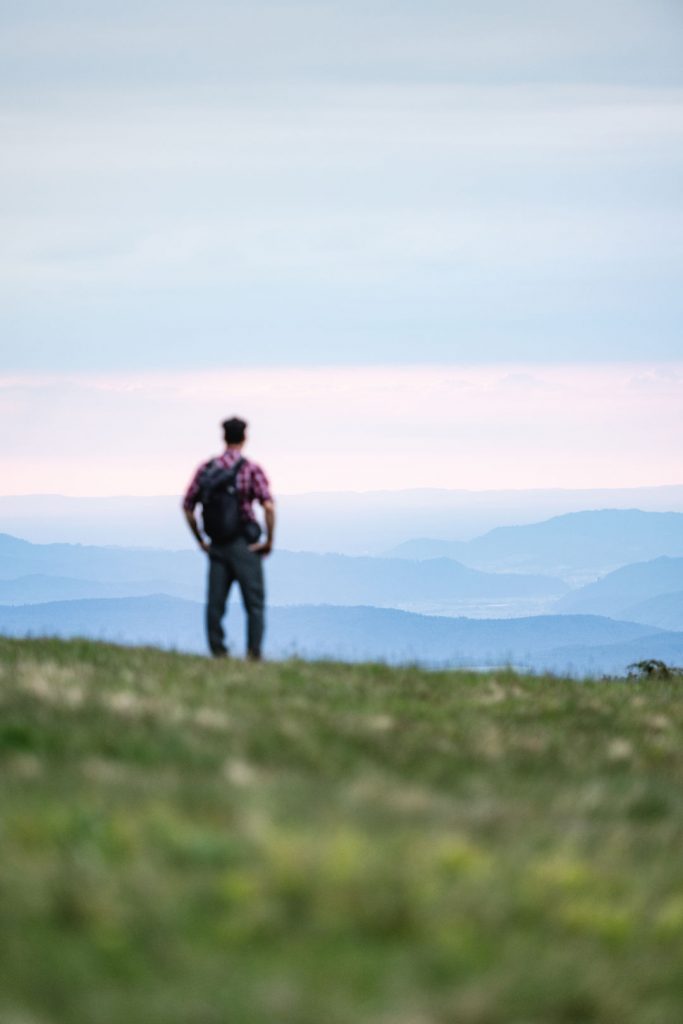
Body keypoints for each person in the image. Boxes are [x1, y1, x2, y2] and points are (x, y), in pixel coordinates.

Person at [182, 416, 275, 660]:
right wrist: (269, 541)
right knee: (254, 604)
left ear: (223, 437)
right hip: (245, 544)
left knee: (215, 604)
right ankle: (253, 656)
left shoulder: (206, 469)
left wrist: (200, 540)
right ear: (245, 438)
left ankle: (218, 654)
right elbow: (268, 507)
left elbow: (188, 506)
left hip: (217, 545)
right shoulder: (250, 469)